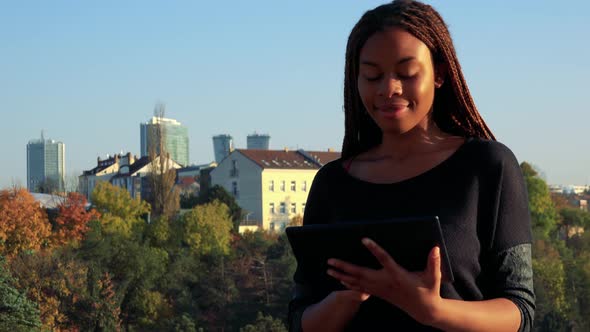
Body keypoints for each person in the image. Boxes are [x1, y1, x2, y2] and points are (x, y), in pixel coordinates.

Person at [287, 1, 535, 331]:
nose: (389, 89)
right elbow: (299, 318)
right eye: (372, 75)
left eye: (407, 73)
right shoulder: (332, 183)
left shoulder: (488, 167)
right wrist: (346, 298)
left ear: (440, 74)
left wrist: (434, 310)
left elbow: (520, 309)